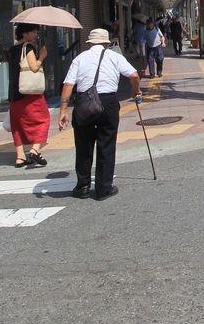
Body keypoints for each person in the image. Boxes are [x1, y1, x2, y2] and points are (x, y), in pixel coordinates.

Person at [56, 28, 141, 200]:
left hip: (84, 103)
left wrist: (63, 111)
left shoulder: (79, 58)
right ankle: (103, 188)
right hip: (108, 103)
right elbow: (134, 74)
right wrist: (135, 91)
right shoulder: (114, 56)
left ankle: (83, 186)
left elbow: (67, 85)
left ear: (89, 44)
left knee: (84, 145)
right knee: (106, 143)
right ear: (107, 43)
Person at [8, 24, 50, 168]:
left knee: (17, 125)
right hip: (29, 94)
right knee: (43, 120)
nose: (36, 34)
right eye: (33, 31)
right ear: (24, 33)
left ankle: (20, 157)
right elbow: (34, 67)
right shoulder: (28, 47)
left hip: (14, 94)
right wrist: (42, 56)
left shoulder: (12, 49)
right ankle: (34, 150)